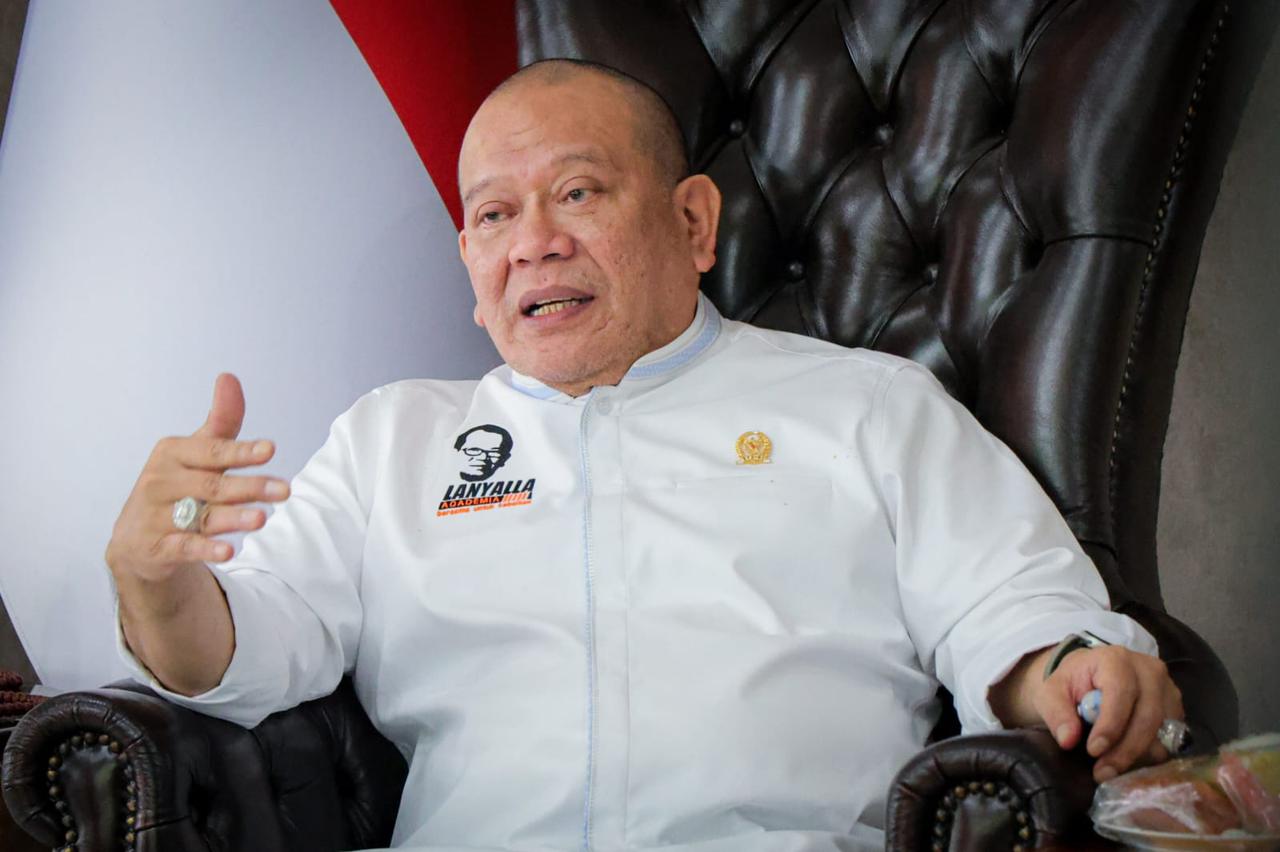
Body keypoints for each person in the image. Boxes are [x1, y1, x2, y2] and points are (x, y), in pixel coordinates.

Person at [105, 60, 1184, 851]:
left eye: (577, 193)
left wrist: (1070, 671)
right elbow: (247, 648)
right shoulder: (393, 438)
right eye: (494, 214)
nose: (534, 242)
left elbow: (1012, 607)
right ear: (471, 262)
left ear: (693, 223)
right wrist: (155, 581)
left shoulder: (867, 408)